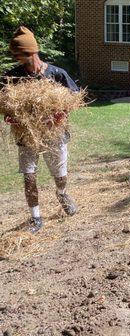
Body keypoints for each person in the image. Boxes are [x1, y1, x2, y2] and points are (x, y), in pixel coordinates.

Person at [0, 26, 80, 233]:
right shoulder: (12, 78)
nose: (18, 59)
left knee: (60, 175)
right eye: (16, 55)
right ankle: (35, 217)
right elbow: (4, 105)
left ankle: (62, 194)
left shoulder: (56, 74)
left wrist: (62, 112)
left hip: (55, 133)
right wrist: (9, 116)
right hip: (26, 135)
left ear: (32, 52)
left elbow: (75, 97)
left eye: (21, 54)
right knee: (29, 177)